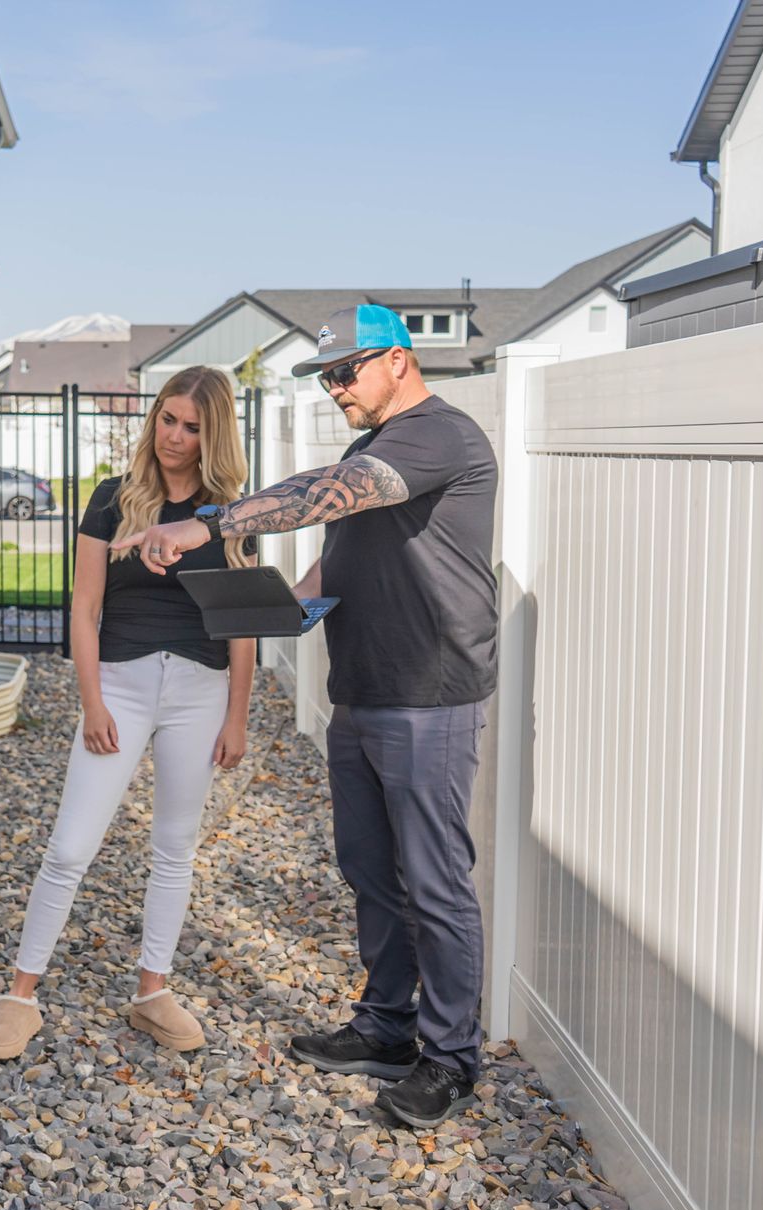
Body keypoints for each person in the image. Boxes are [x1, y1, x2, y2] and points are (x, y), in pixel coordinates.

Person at [111, 306, 498, 1128]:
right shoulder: (375, 446)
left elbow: (322, 498)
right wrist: (291, 604)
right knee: (368, 873)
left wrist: (207, 522)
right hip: (360, 689)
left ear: (397, 359)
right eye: (324, 376)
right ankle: (388, 1029)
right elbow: (347, 546)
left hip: (429, 696)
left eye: (346, 371)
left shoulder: (439, 435)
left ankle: (452, 1059)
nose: (334, 388)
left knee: (434, 885)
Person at [0, 367, 258, 1061]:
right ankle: (20, 997)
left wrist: (238, 717)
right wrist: (92, 699)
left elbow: (244, 622)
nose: (176, 437)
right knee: (71, 846)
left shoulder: (230, 511)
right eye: (168, 419)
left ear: (213, 435)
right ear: (154, 418)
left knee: (174, 848)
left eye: (193, 427)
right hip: (122, 687)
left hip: (201, 690)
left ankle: (152, 993)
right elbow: (85, 608)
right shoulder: (112, 500)